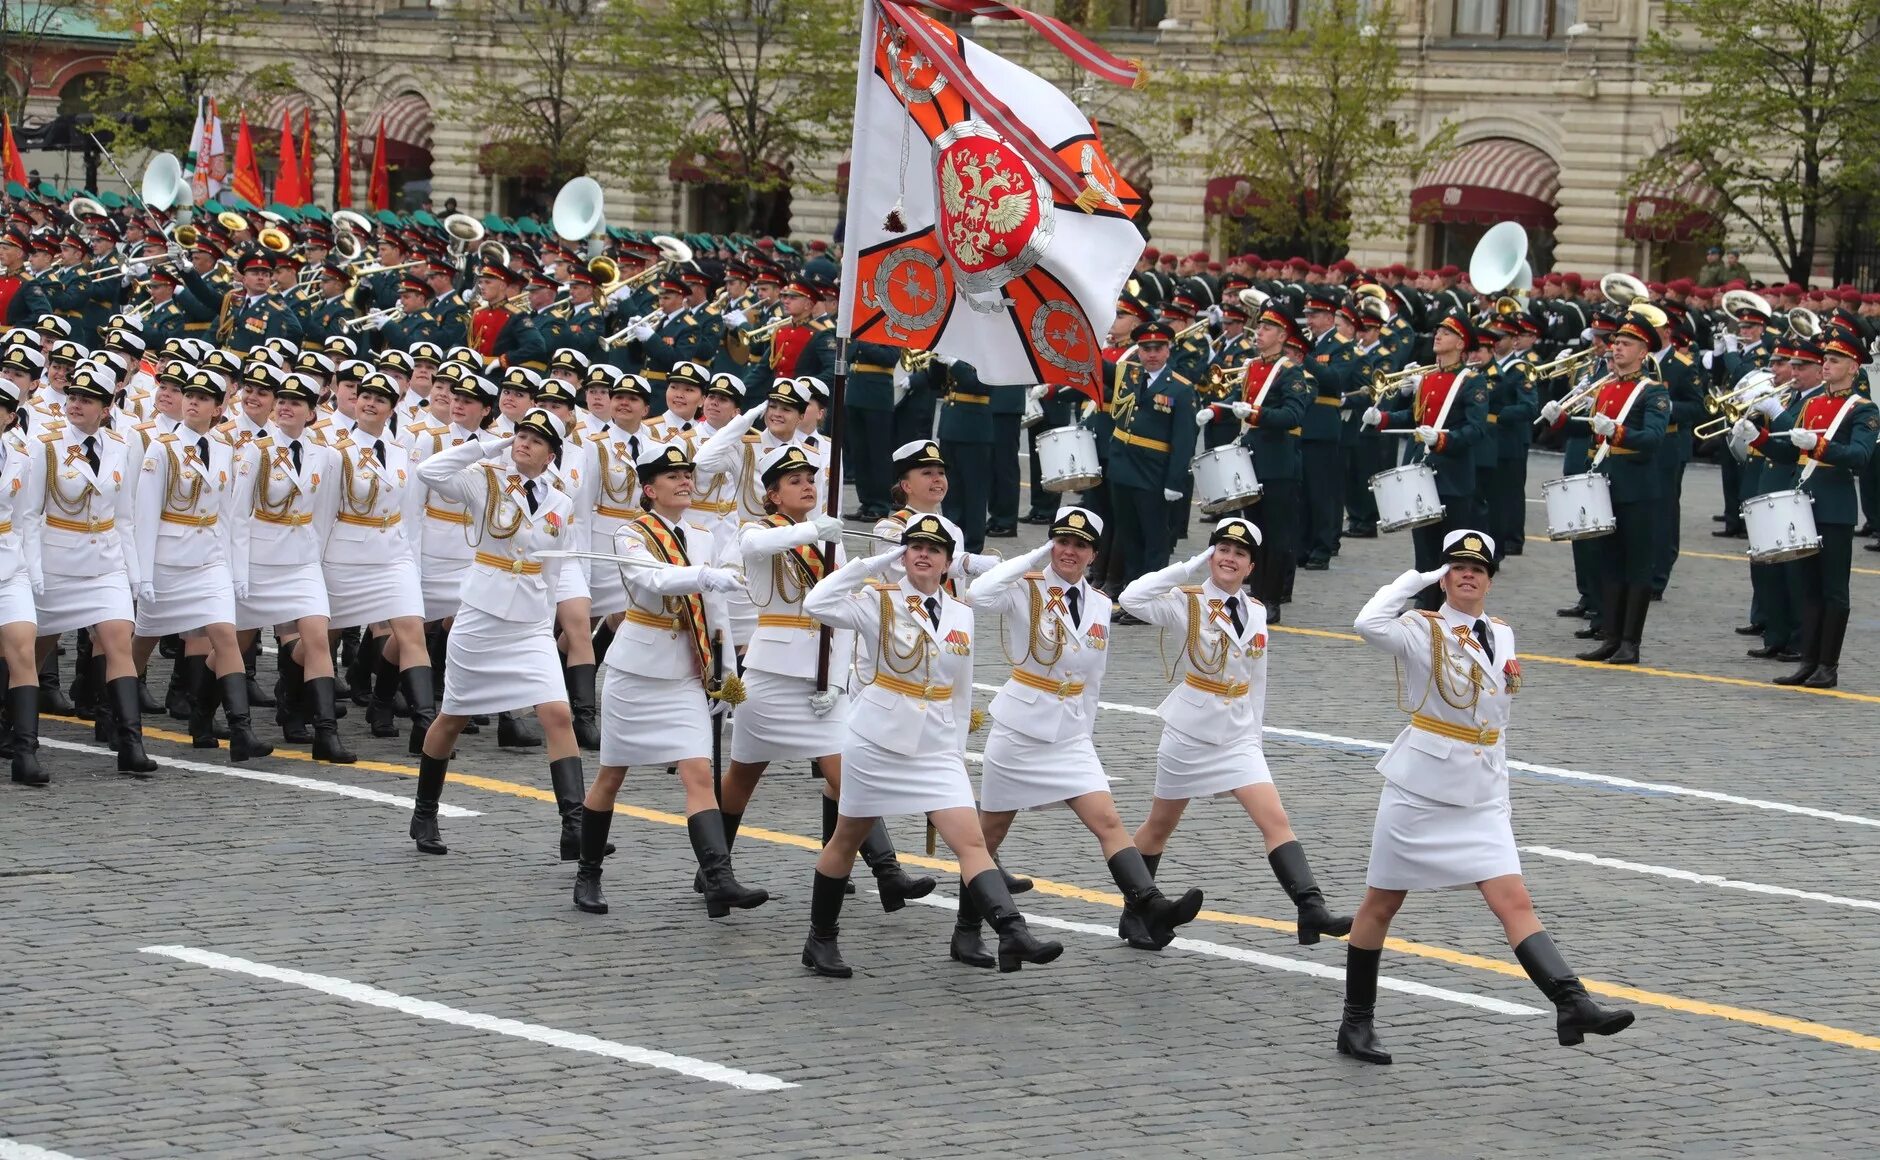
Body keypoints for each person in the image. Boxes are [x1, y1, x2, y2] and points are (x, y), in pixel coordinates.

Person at [1344, 530, 1635, 1064]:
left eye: (1477, 568)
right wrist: (1416, 580)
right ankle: (1355, 1023)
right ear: (1444, 576)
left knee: (1513, 900)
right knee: (1382, 904)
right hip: (1421, 790)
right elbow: (1367, 624)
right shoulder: (1418, 629)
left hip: (1482, 788)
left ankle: (1572, 1002)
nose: (1467, 574)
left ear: (1491, 579)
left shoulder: (1501, 633)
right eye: (1455, 567)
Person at [798, 514, 1062, 977]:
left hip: (937, 745)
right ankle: (820, 940)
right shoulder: (877, 600)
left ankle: (1011, 931)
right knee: (846, 839)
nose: (923, 554)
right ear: (903, 555)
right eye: (914, 547)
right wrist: (870, 565)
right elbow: (818, 602)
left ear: (946, 563)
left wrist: (955, 749)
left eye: (934, 549)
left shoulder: (961, 613)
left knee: (971, 840)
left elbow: (961, 687)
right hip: (876, 741)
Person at [964, 506, 1204, 964]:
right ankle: (967, 929)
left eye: (1080, 545)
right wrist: (1035, 555)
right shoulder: (1023, 588)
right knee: (987, 839)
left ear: (1094, 553)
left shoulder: (1098, 603)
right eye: (1062, 542)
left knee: (1109, 822)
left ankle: (1150, 904)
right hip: (1019, 731)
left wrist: (1085, 737)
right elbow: (978, 592)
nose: (1069, 551)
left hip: (1071, 735)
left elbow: (1093, 680)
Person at [1117, 517, 1350, 949]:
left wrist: (1255, 741)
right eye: (1222, 549)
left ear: (1250, 567)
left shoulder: (1257, 611)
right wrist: (1188, 565)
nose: (1229, 558)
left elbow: (1257, 680)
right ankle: (1134, 913)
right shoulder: (1185, 602)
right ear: (1211, 556)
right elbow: (1131, 598)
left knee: (1275, 819)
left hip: (1238, 734)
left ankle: (1310, 908)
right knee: (1159, 825)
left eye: (1239, 554)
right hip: (1189, 732)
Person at [573, 440, 763, 917]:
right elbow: (652, 581)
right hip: (637, 671)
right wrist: (703, 576)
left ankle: (719, 878)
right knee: (611, 775)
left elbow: (715, 610)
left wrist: (726, 677)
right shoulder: (630, 535)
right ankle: (588, 871)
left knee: (698, 773)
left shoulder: (701, 536)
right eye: (672, 475)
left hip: (685, 672)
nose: (684, 481)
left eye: (687, 474)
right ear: (649, 489)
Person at [406, 409, 592, 861]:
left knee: (557, 715)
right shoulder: (483, 478)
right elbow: (429, 472)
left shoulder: (561, 502)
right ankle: (424, 810)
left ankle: (575, 826)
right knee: (452, 717)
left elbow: (555, 565)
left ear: (552, 454)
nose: (524, 443)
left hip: (529, 623)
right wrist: (486, 446)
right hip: (482, 616)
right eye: (520, 435)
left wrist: (548, 617)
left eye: (536, 439)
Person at [129, 366, 271, 762]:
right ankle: (115, 713)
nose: (191, 401)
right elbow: (146, 514)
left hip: (209, 561)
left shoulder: (226, 451)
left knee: (225, 635)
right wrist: (142, 575)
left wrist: (233, 569)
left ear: (218, 407)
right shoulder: (162, 448)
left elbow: (229, 516)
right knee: (142, 641)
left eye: (202, 397)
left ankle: (240, 731)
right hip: (168, 562)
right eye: (189, 395)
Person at [235, 371, 353, 762]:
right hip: (259, 558)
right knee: (233, 644)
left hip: (301, 561)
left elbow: (323, 512)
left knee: (318, 638)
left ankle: (325, 733)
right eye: (281, 400)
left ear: (311, 413)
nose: (285, 406)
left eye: (296, 402)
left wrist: (314, 559)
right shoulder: (257, 450)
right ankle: (206, 714)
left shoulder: (328, 455)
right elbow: (238, 514)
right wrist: (236, 570)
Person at [1542, 307, 1670, 664]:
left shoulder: (1653, 392)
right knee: (1608, 564)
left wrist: (1619, 431)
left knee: (1636, 566)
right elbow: (1592, 430)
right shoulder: (1607, 387)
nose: (1617, 349)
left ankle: (1630, 642)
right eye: (1616, 343)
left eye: (1626, 344)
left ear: (1644, 352)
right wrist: (1563, 421)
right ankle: (1611, 637)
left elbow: (1654, 438)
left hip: (1637, 489)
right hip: (1605, 485)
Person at [1749, 331, 1877, 688]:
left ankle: (1828, 665)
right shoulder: (1811, 404)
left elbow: (1860, 457)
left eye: (1834, 361)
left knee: (1832, 589)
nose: (1827, 366)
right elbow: (1790, 452)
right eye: (1826, 360)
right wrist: (1757, 438)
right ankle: (1808, 660)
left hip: (1834, 507)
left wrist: (1820, 446)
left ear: (1853, 367)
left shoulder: (1863, 409)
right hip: (1802, 504)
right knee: (1806, 586)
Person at [0, 368, 45, 784]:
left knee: (22, 651)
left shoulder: (20, 457)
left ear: (11, 417)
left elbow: (28, 517)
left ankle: (25, 750)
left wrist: (32, 569)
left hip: (8, 564)